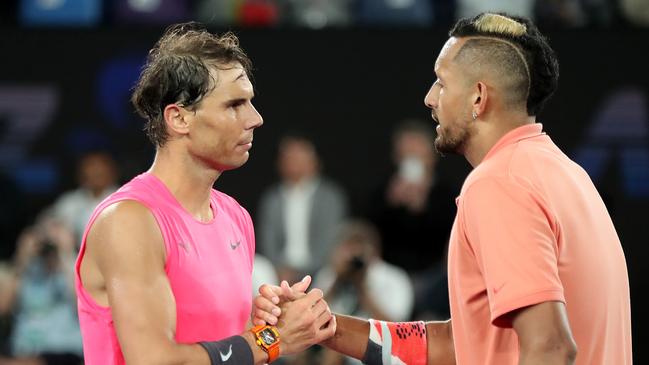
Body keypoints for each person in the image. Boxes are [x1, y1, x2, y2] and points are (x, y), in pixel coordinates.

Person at [254, 12, 632, 365]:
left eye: (441, 82)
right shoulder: (567, 175)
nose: (430, 98)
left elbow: (550, 346)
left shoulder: (498, 183)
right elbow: (458, 344)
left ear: (478, 98)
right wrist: (328, 327)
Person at [75, 22, 335, 365]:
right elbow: (156, 361)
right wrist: (273, 338)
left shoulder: (235, 217)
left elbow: (234, 350)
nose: (255, 118)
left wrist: (267, 325)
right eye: (234, 105)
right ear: (179, 118)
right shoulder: (128, 221)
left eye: (250, 103)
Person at [367, 119, 456, 319]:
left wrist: (422, 207)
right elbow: (371, 232)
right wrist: (391, 204)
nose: (410, 158)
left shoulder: (447, 194)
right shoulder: (383, 193)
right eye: (405, 153)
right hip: (391, 274)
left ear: (431, 155)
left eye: (416, 152)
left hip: (433, 275)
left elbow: (450, 237)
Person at [257, 134, 348, 284]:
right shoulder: (271, 198)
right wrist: (279, 269)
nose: (293, 162)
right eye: (288, 157)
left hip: (320, 271)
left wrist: (302, 273)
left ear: (314, 161)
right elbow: (267, 240)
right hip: (278, 272)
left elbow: (329, 239)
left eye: (299, 157)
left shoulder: (330, 197)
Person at [50, 151, 119, 243]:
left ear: (112, 172)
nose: (96, 170)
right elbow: (50, 223)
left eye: (101, 166)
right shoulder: (70, 201)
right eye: (91, 166)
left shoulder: (124, 200)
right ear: (81, 174)